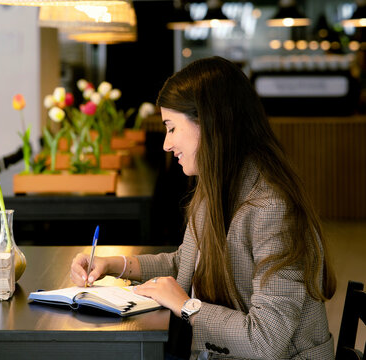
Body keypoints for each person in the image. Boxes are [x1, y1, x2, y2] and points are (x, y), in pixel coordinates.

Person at [70, 56, 336, 359]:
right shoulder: (218, 185)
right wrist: (115, 264)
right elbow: (186, 263)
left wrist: (186, 306)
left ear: (209, 124)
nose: (166, 145)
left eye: (171, 128)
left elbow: (266, 340)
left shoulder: (272, 208)